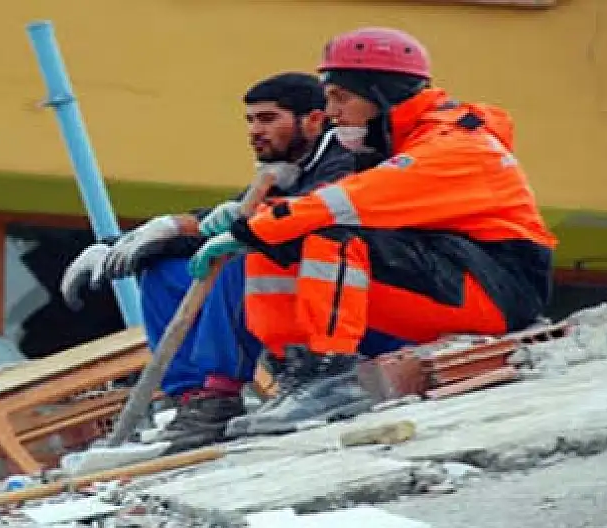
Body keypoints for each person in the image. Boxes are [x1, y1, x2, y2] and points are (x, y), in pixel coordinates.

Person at [189, 27, 558, 437]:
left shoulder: (455, 146)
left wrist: (252, 227)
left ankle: (331, 375)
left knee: (329, 235)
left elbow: (347, 202)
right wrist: (256, 224)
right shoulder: (397, 142)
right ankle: (299, 374)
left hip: (497, 291)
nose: (330, 112)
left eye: (341, 98)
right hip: (452, 279)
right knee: (277, 242)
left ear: (382, 95)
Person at [61, 72, 360, 452]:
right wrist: (132, 242)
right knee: (166, 273)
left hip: (350, 319)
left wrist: (223, 228)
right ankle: (192, 400)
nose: (255, 131)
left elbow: (264, 227)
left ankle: (220, 394)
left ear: (314, 120)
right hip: (302, 309)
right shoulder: (284, 170)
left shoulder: (346, 163)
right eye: (250, 121)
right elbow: (215, 223)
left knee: (240, 256)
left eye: (268, 119)